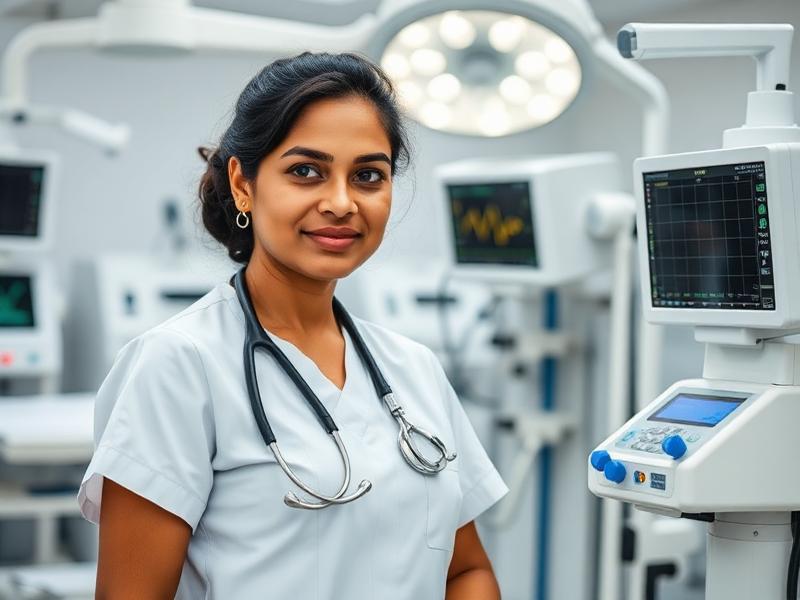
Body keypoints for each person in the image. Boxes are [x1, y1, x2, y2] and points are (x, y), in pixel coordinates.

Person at [78, 52, 507, 599]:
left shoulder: (413, 369)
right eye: (306, 171)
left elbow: (466, 571)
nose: (341, 202)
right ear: (243, 184)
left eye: (367, 176)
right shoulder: (180, 364)